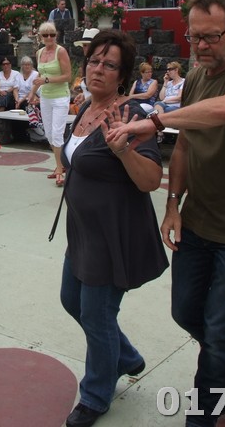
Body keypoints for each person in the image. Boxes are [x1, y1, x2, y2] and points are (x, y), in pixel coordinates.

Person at [105, 0, 225, 426]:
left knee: (218, 327)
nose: (200, 46)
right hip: (198, 220)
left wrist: (155, 121)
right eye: (193, 36)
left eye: (210, 36)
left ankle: (202, 415)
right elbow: (185, 144)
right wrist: (172, 203)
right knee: (185, 312)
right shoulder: (197, 76)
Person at [56, 30, 168, 427]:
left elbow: (151, 179)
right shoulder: (87, 106)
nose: (98, 69)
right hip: (82, 232)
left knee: (97, 315)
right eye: (94, 61)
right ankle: (127, 357)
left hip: (113, 235)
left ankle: (96, 395)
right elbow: (79, 160)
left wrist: (122, 151)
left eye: (109, 64)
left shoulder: (132, 114)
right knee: (72, 300)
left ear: (123, 76)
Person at [29, 22, 71, 187]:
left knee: (57, 133)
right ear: (40, 37)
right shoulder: (39, 52)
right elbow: (39, 75)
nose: (49, 38)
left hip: (60, 97)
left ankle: (60, 170)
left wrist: (46, 80)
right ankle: (60, 165)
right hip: (45, 97)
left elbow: (67, 76)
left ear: (56, 35)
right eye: (45, 35)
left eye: (52, 34)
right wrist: (32, 92)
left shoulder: (61, 51)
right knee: (49, 135)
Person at [72, 28, 98, 107]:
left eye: (88, 45)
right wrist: (84, 95)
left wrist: (87, 100)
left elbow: (106, 91)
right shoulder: (86, 63)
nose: (85, 48)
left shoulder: (100, 65)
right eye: (84, 45)